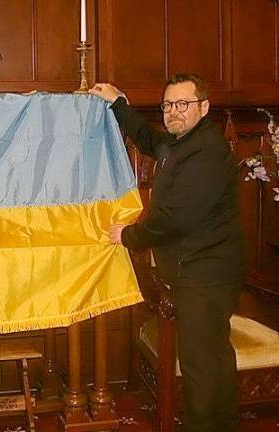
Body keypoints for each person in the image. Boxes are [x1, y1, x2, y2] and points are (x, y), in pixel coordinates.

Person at [89, 74, 247, 432]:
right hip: (200, 271)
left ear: (204, 108)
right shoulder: (182, 144)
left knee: (201, 365)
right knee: (212, 358)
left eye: (183, 104)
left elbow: (177, 217)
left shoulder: (206, 152)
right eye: (168, 105)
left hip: (207, 275)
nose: (174, 112)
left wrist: (129, 235)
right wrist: (118, 104)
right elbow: (147, 139)